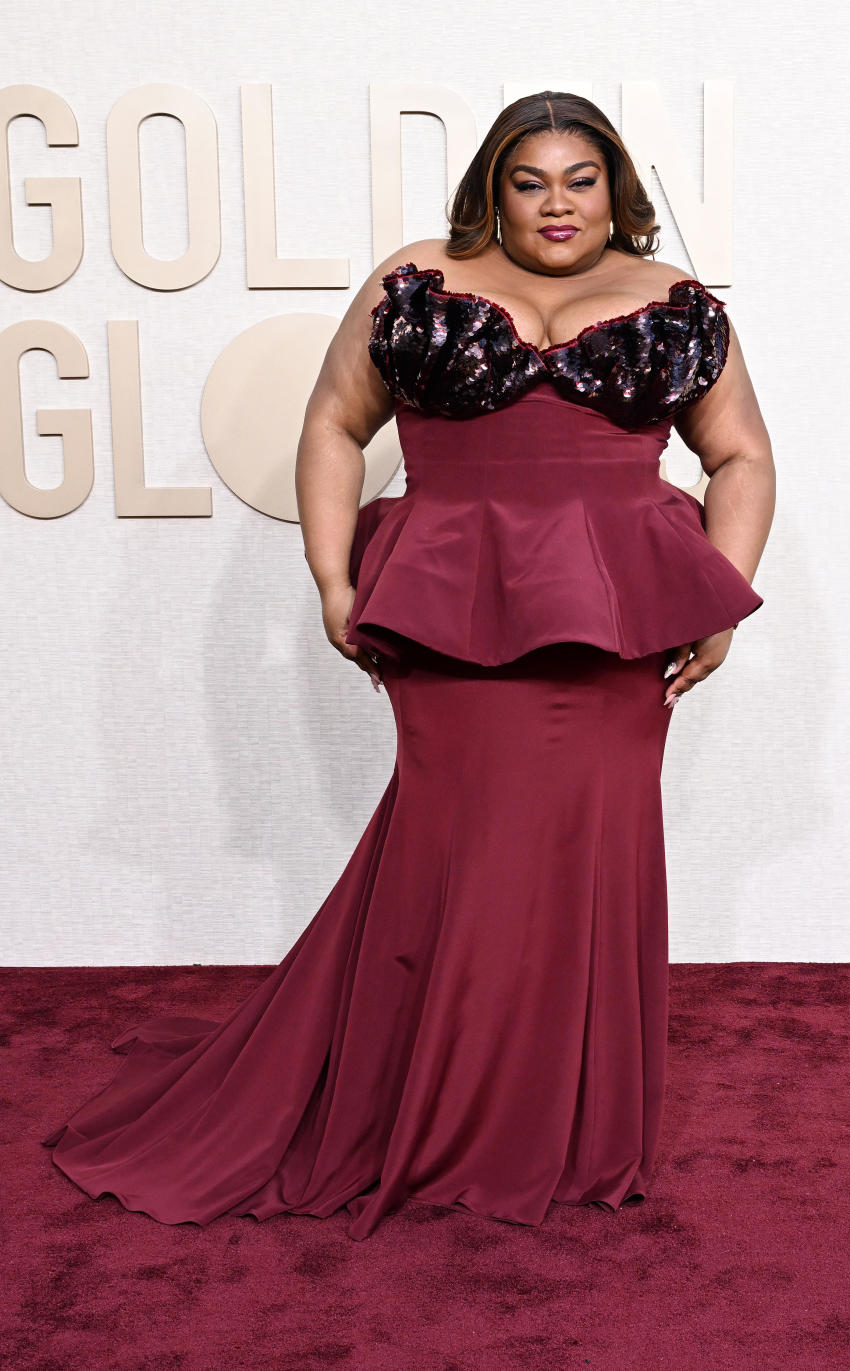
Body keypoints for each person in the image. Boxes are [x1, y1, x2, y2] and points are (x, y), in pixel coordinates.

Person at [42, 91, 775, 1243]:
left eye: (579, 180)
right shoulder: (418, 276)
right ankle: (423, 1110)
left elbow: (738, 455)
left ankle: (566, 1127)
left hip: (616, 632)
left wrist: (722, 598)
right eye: (529, 181)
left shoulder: (672, 301)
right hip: (449, 618)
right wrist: (333, 580)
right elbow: (335, 422)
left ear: (615, 188)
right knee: (455, 855)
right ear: (493, 186)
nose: (556, 203)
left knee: (591, 859)